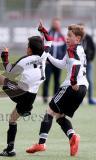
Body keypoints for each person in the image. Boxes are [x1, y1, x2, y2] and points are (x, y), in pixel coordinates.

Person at [0, 21, 52, 157]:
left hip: (20, 92)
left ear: (30, 49)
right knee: (12, 120)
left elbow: (10, 70)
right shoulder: (44, 54)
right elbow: (49, 40)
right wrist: (43, 30)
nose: (26, 47)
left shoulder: (25, 60)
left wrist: (4, 57)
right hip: (30, 98)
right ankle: (10, 149)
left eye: (27, 45)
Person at [26, 24, 88, 157]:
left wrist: (73, 81)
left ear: (77, 39)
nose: (66, 38)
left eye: (70, 36)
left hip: (71, 87)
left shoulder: (72, 49)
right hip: (83, 88)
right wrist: (47, 56)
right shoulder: (79, 49)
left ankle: (41, 143)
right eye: (67, 35)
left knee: (49, 111)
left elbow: (75, 65)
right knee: (60, 116)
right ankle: (72, 136)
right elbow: (61, 64)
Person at [42, 18, 67, 103]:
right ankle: (45, 97)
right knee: (47, 79)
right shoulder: (48, 34)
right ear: (52, 24)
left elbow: (65, 49)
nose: (56, 25)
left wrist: (62, 60)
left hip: (58, 62)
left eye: (58, 24)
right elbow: (43, 47)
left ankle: (55, 97)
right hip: (48, 62)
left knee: (57, 80)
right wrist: (44, 59)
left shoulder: (62, 36)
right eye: (55, 23)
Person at [79, 23, 96, 105]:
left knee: (89, 80)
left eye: (83, 29)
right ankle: (80, 99)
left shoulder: (88, 38)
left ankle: (90, 99)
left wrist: (90, 58)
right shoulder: (76, 38)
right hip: (78, 63)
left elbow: (93, 49)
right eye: (80, 29)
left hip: (88, 62)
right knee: (79, 81)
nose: (82, 30)